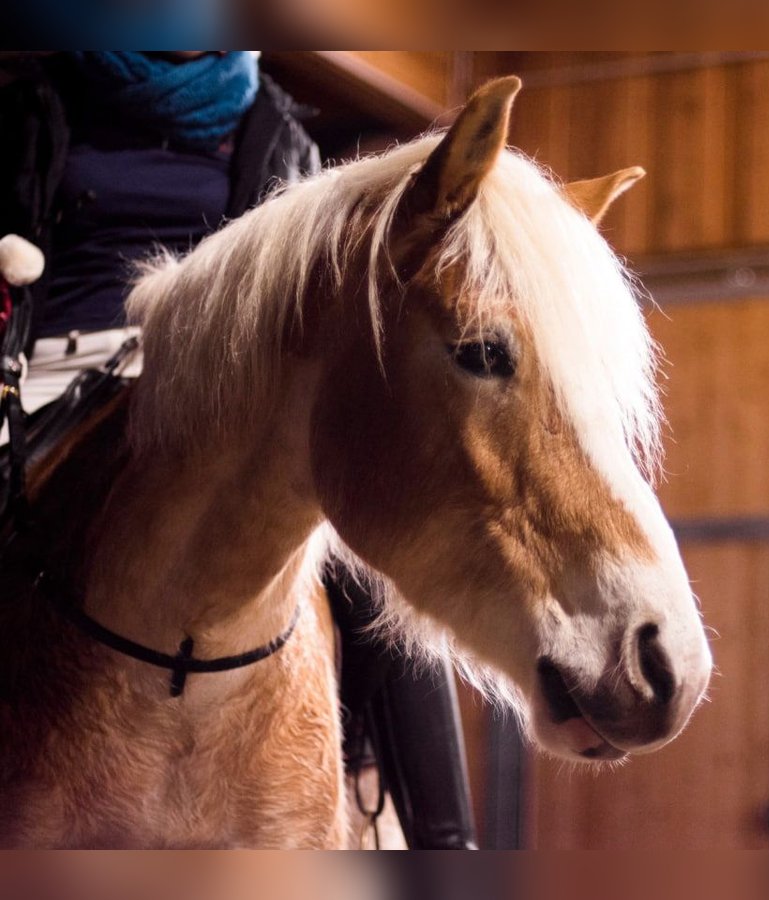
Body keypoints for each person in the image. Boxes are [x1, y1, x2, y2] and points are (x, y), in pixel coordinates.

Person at [0, 51, 476, 848]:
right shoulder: (38, 104)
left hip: (211, 384)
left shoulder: (280, 134)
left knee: (373, 568)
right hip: (52, 366)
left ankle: (442, 839)